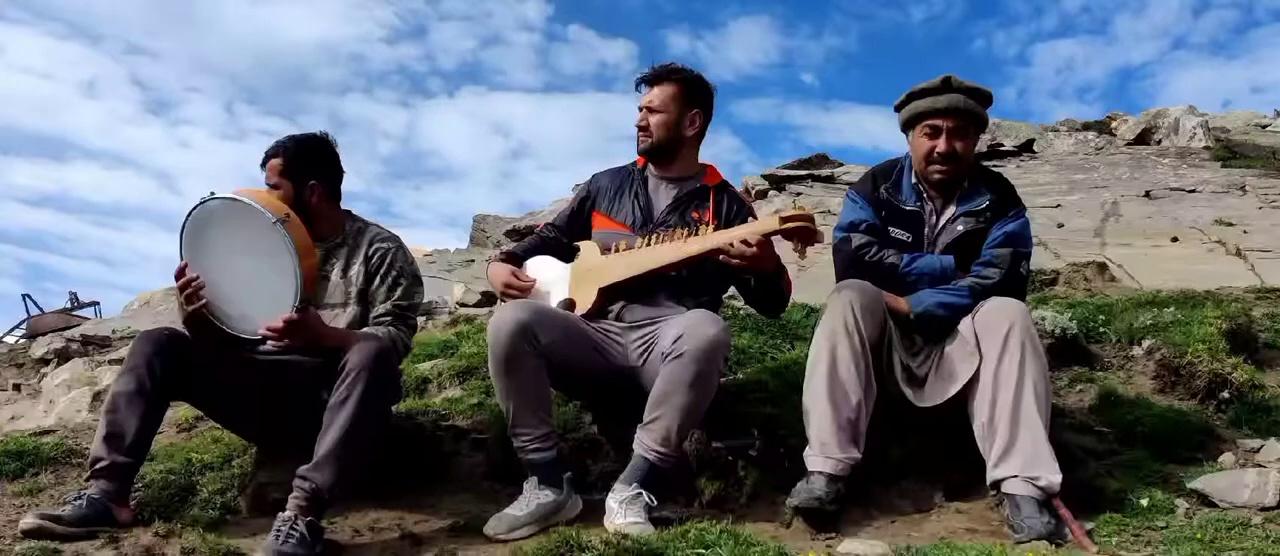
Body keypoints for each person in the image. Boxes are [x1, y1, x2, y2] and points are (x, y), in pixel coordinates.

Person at [18, 132, 424, 556]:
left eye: (274, 188)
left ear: (313, 191)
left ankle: (302, 515)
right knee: (159, 343)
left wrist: (323, 337)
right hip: (264, 395)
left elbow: (393, 340)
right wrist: (199, 318)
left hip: (336, 404)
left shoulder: (379, 250)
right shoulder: (259, 245)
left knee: (371, 349)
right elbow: (237, 342)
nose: (264, 197)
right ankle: (108, 495)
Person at [481, 62, 792, 541]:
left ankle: (633, 487)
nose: (639, 121)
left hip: (668, 342)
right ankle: (545, 484)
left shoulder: (726, 206)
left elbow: (773, 305)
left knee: (706, 328)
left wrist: (766, 267)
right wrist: (500, 264)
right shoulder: (606, 184)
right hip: (592, 332)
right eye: (639, 110)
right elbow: (549, 239)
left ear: (692, 123)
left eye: (652, 110)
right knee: (512, 322)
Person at [783, 75, 1068, 544]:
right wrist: (948, 268)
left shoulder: (1001, 200)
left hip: (963, 351)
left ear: (977, 140)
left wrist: (912, 299)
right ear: (910, 136)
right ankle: (827, 473)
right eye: (931, 132)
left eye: (958, 134)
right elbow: (853, 257)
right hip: (886, 352)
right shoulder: (875, 187)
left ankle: (1023, 488)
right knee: (851, 295)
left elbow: (1002, 278)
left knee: (1007, 314)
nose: (944, 146)